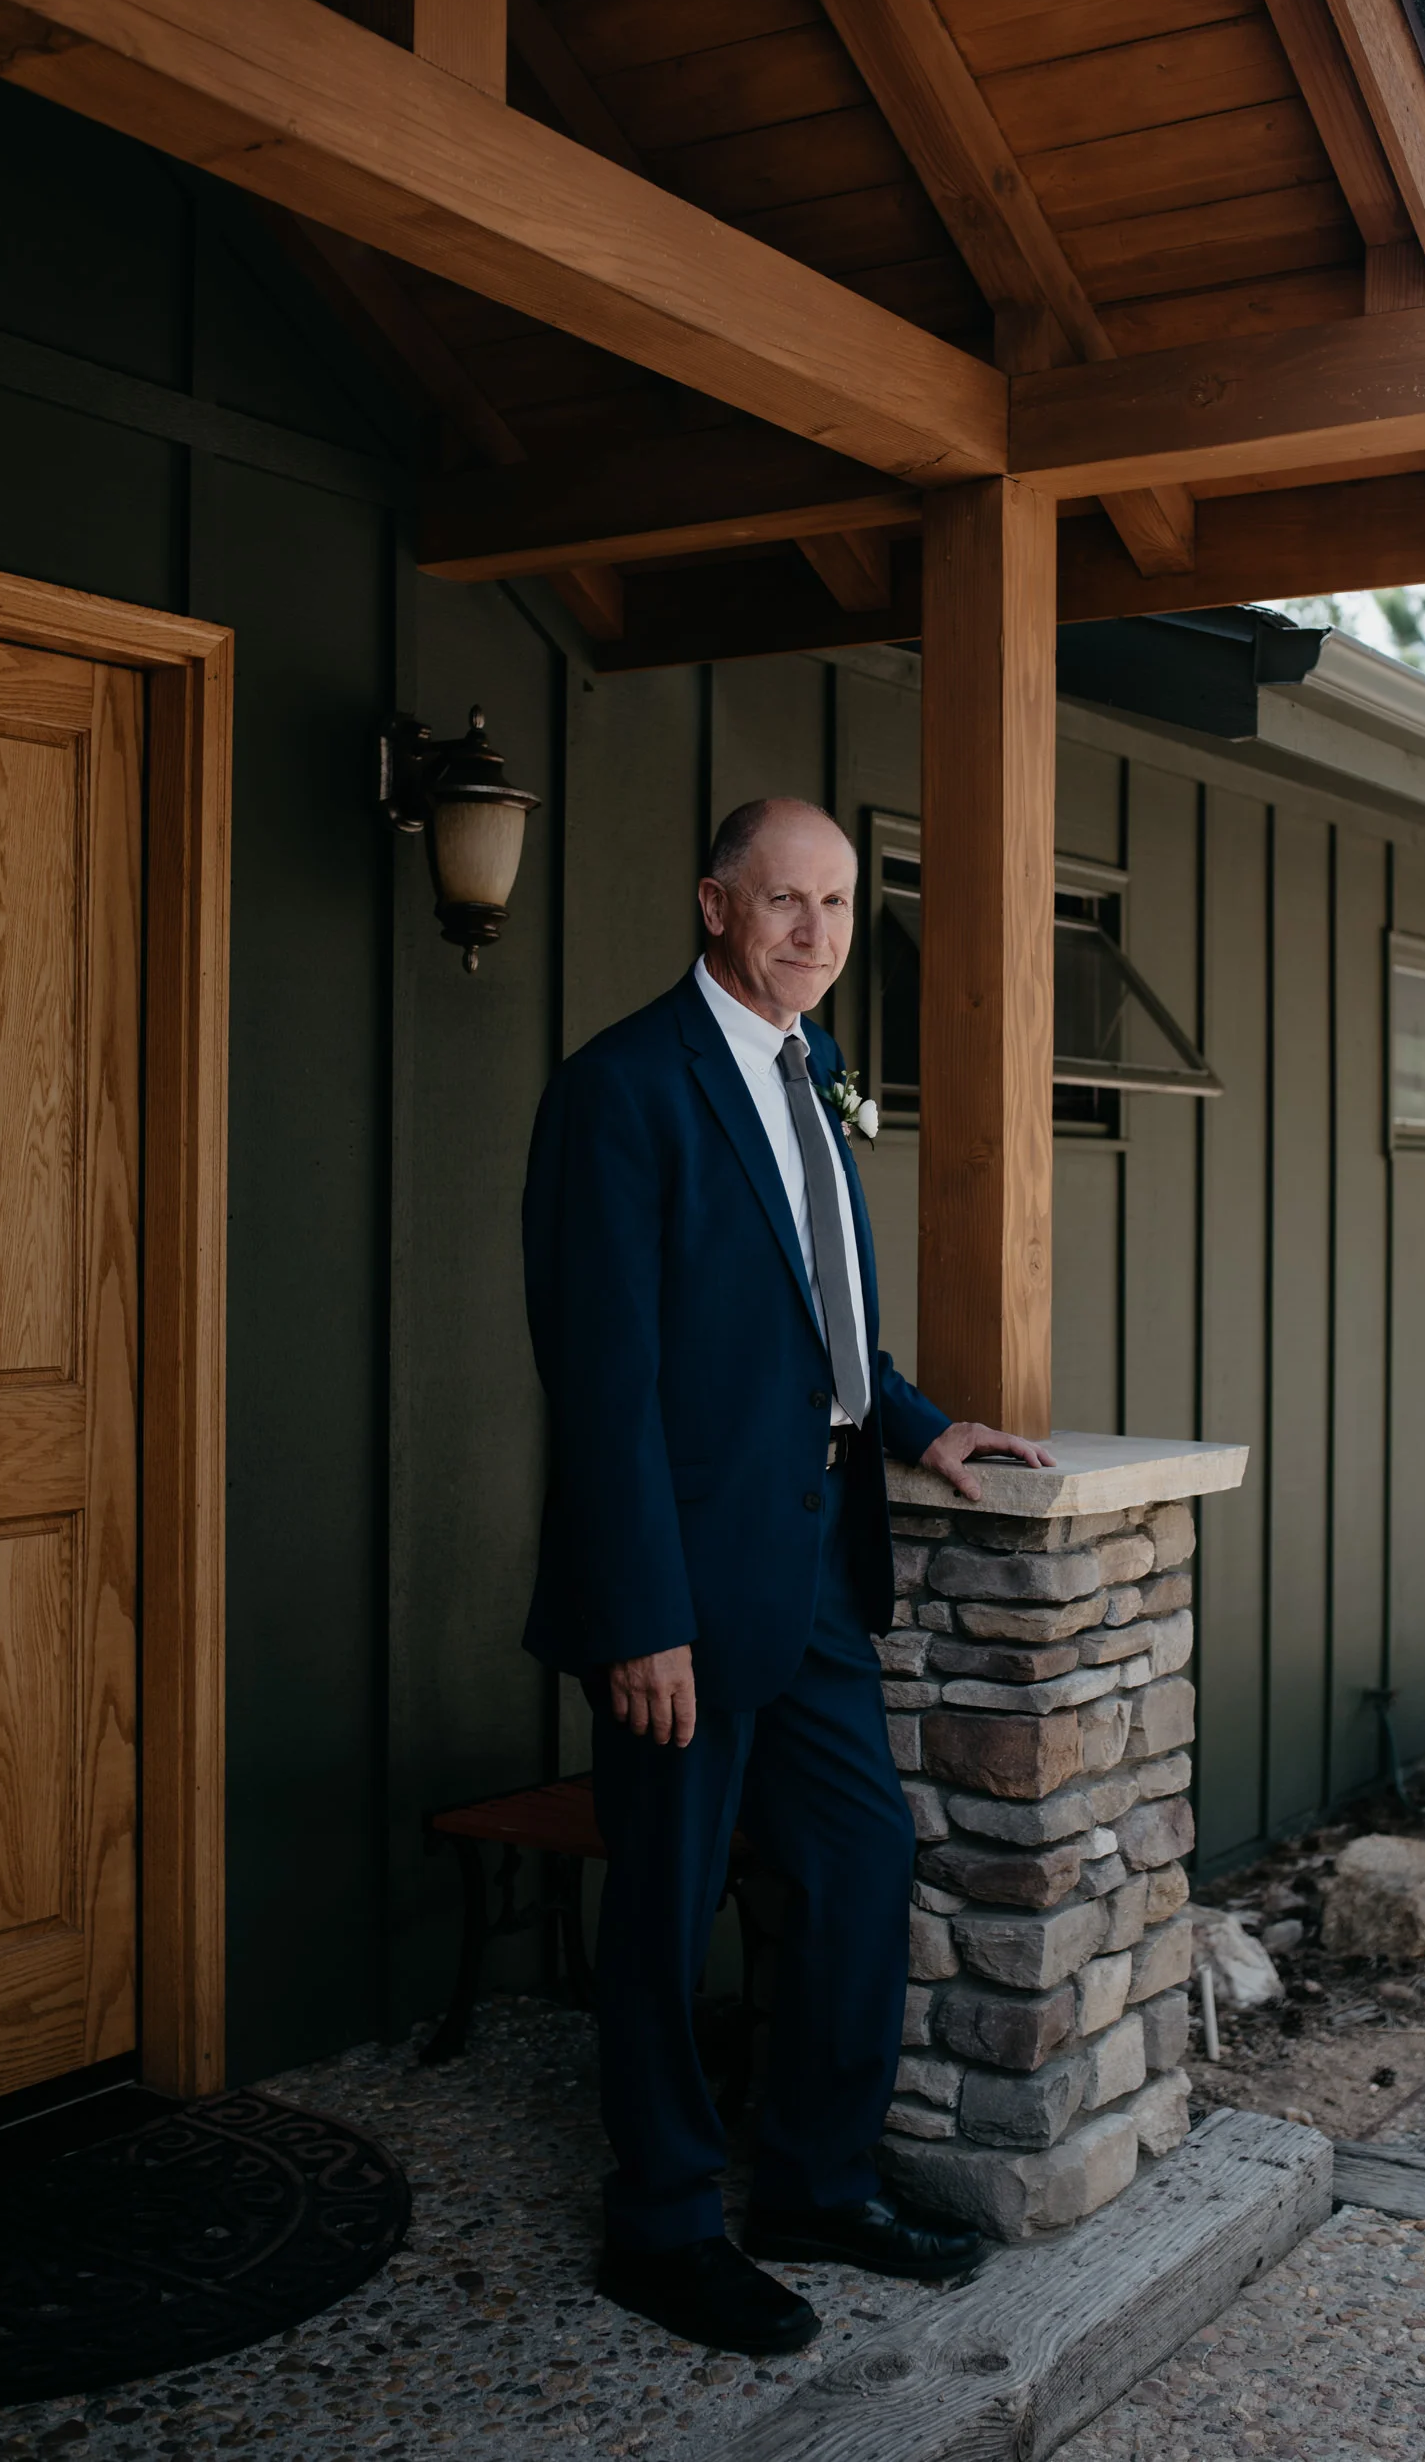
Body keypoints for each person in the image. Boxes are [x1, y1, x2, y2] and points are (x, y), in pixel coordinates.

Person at [522, 797, 1053, 2355]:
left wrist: (920, 1423)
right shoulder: (624, 1088)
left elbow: (824, 1321)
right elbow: (602, 1381)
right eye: (784, 903)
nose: (818, 934)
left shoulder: (809, 1071)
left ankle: (815, 2183)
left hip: (818, 1560)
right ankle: (665, 2223)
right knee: (669, 1897)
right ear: (714, 905)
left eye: (836, 905)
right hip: (683, 1584)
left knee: (859, 1859)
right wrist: (641, 1616)